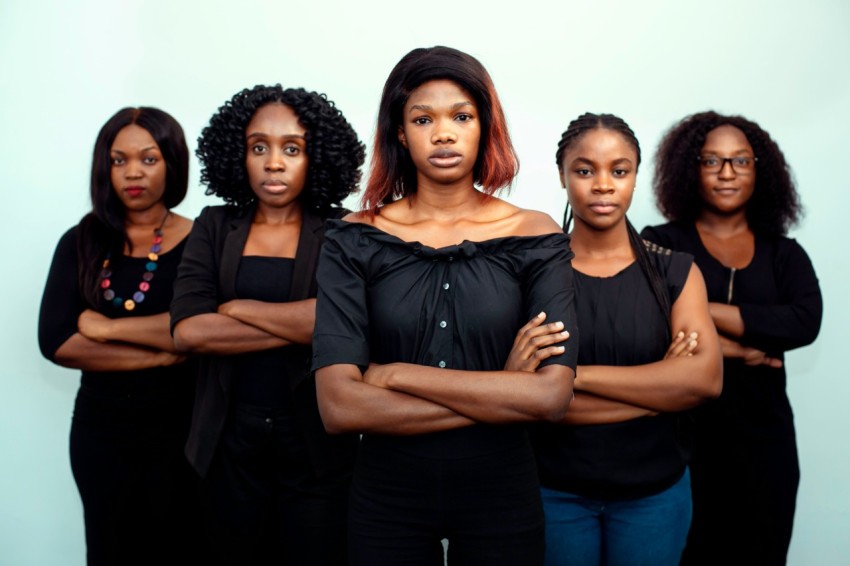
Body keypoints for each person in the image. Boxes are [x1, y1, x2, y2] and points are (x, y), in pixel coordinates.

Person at [311, 46, 578, 566]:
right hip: (386, 496)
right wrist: (502, 386)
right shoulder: (354, 238)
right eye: (422, 118)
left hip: (502, 491)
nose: (443, 133)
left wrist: (391, 375)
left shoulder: (535, 234)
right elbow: (340, 407)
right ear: (399, 133)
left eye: (461, 116)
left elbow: (550, 398)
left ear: (485, 127)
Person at [513, 113, 722, 566]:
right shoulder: (532, 274)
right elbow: (525, 400)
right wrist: (659, 392)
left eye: (619, 170)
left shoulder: (676, 271)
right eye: (585, 170)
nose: (603, 185)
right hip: (554, 492)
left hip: (656, 495)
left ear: (634, 177)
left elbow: (704, 381)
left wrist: (572, 376)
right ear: (563, 177)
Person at [170, 84, 364, 565]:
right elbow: (190, 330)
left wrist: (237, 308)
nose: (273, 163)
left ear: (316, 156)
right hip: (227, 446)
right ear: (239, 154)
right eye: (259, 147)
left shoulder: (344, 229)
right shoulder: (214, 225)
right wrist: (302, 321)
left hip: (316, 449)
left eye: (291, 149)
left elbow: (343, 325)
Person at [641, 111, 823, 565]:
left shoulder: (785, 253)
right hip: (681, 448)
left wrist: (692, 307)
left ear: (760, 170)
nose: (727, 173)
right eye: (712, 161)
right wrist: (742, 348)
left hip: (766, 448)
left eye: (740, 161)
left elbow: (803, 322)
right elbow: (648, 324)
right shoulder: (660, 243)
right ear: (691, 169)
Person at [38, 107, 201, 565]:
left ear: (172, 162)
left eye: (149, 159)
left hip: (181, 434)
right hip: (100, 434)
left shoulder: (201, 239)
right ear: (103, 166)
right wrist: (162, 354)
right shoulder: (82, 240)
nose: (133, 172)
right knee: (109, 551)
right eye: (119, 159)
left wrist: (107, 329)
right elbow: (58, 341)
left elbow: (193, 329)